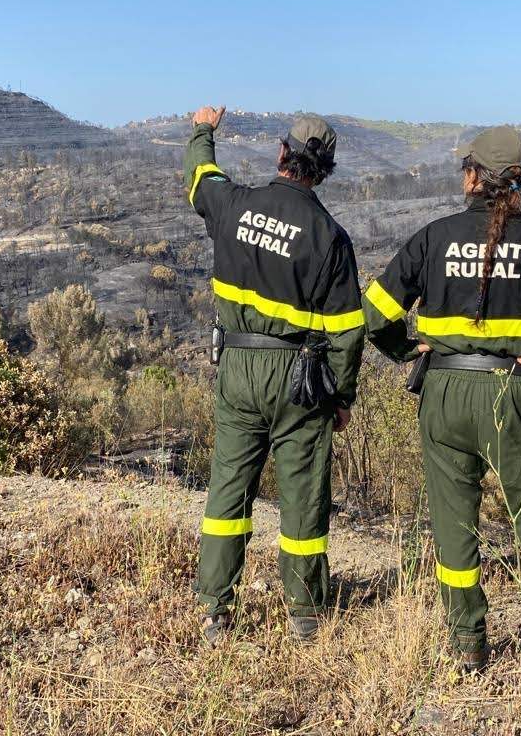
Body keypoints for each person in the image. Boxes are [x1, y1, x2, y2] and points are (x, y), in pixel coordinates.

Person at [363, 126, 521, 683]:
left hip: (444, 392)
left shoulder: (433, 237)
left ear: (474, 176)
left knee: (454, 522)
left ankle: (467, 644)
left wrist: (412, 352)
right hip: (512, 392)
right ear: (518, 182)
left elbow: (375, 315)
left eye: (463, 168)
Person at [184, 106, 364, 644]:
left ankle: (216, 609)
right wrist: (341, 395)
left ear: (282, 153)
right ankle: (305, 616)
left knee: (228, 490)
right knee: (304, 495)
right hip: (300, 379)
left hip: (237, 367)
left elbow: (200, 177)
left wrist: (202, 130)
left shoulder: (234, 204)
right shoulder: (330, 237)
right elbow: (347, 332)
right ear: (325, 170)